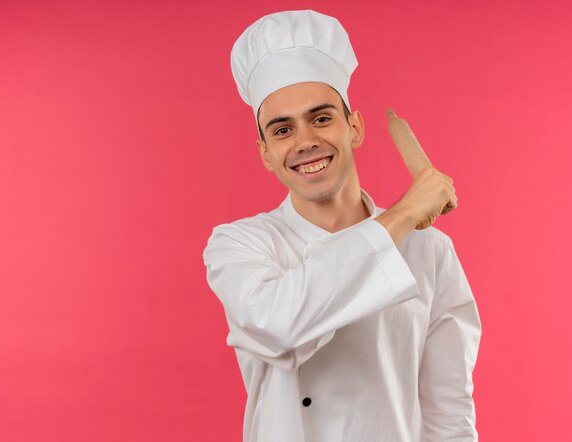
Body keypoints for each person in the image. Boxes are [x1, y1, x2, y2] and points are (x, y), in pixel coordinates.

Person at [203, 10, 481, 442]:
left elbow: (449, 410)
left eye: (321, 118)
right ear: (264, 153)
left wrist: (406, 223)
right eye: (282, 130)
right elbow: (281, 325)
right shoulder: (239, 246)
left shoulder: (430, 251)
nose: (305, 141)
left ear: (355, 127)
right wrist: (404, 214)